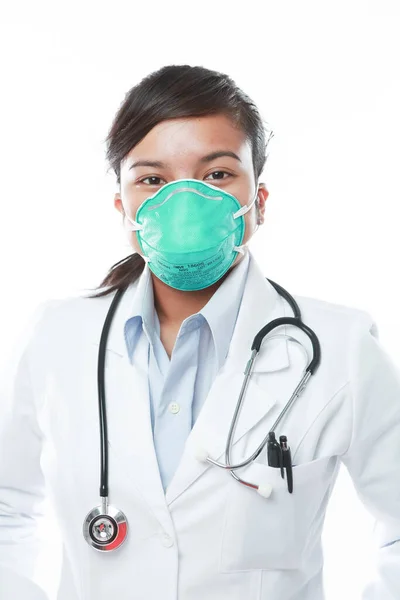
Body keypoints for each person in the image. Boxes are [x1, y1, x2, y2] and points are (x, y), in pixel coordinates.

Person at [0, 64, 399, 600]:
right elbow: (6, 509)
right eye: (153, 180)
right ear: (124, 207)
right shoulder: (57, 335)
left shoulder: (339, 348)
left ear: (258, 199)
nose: (184, 204)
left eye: (216, 175)